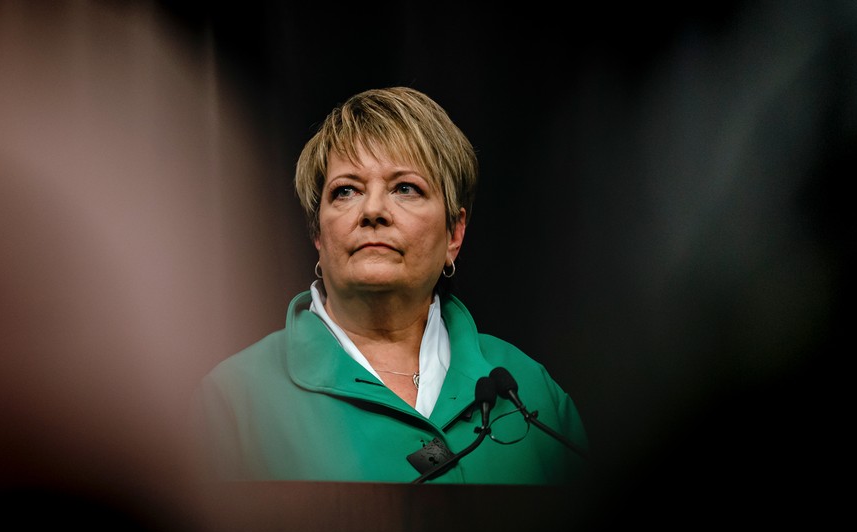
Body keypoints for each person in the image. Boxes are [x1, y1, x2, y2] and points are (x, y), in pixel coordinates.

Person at [193, 86, 589, 484]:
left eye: (405, 188)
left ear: (454, 234)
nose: (373, 210)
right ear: (318, 235)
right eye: (346, 191)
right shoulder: (233, 403)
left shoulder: (531, 391)